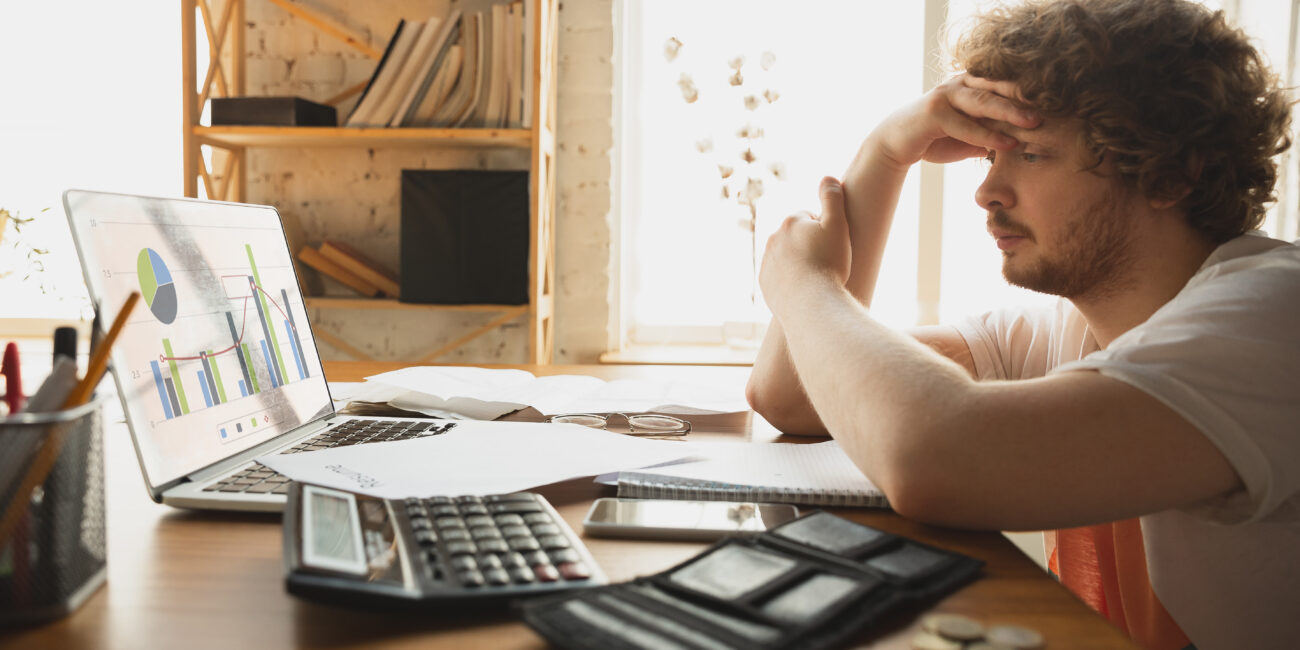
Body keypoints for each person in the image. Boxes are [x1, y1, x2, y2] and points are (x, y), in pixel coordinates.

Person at [746, 0, 1300, 648]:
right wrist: (887, 152)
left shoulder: (1271, 316)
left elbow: (935, 459)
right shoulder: (1074, 326)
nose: (987, 191)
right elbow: (792, 397)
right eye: (988, 156)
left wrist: (806, 285)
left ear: (1170, 173)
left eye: (1030, 153)